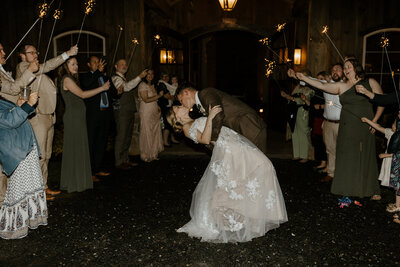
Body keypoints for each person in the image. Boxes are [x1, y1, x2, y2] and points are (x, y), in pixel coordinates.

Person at [167, 105, 287, 243]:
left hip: (236, 143)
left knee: (253, 174)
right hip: (230, 149)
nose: (181, 106)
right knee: (256, 170)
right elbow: (205, 139)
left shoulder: (194, 120)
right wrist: (210, 117)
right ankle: (238, 216)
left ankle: (257, 215)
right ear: (176, 117)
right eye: (177, 107)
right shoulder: (186, 129)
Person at [292, 57, 384, 199]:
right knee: (347, 156)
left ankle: (371, 189)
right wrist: (304, 78)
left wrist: (375, 122)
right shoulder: (342, 85)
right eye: (345, 67)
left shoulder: (370, 82)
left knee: (365, 155)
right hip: (346, 125)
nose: (346, 70)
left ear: (356, 67)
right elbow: (322, 85)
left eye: (349, 67)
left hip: (365, 125)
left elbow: (381, 101)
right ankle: (348, 188)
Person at [16, 44, 78, 200]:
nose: (36, 55)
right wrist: (66, 54)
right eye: (31, 53)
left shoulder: (36, 68)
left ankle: (43, 187)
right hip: (38, 118)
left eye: (36, 52)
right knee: (39, 155)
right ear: (22, 55)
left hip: (48, 116)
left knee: (47, 154)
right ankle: (35, 191)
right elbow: (47, 66)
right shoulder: (23, 66)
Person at [58, 57, 110, 193]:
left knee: (80, 147)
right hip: (73, 118)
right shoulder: (67, 79)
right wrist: (102, 88)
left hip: (79, 117)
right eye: (72, 64)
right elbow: (82, 94)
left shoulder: (73, 79)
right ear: (65, 65)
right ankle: (73, 182)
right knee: (75, 148)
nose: (76, 66)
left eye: (76, 63)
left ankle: (79, 180)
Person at [0, 92, 48, 239]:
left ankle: (28, 220)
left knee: (29, 185)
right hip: (16, 149)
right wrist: (28, 105)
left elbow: (15, 115)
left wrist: (21, 106)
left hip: (24, 145)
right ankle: (12, 227)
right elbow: (9, 121)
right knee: (18, 189)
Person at [176, 84, 267, 154]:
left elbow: (218, 114)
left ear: (186, 92)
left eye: (181, 100)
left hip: (250, 126)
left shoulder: (206, 93)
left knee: (258, 163)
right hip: (242, 130)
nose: (182, 104)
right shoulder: (200, 104)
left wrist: (213, 139)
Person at [0, 42, 38, 207]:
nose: (4, 52)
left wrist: (22, 105)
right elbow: (14, 89)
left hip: (11, 133)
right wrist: (27, 104)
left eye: (3, 48)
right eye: (0, 49)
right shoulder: (21, 67)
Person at [80, 56, 117, 180]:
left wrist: (117, 90)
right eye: (94, 62)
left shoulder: (105, 77)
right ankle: (90, 172)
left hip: (105, 114)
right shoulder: (86, 76)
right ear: (89, 64)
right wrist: (98, 72)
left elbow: (114, 93)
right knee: (91, 142)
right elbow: (86, 85)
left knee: (102, 143)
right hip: (93, 115)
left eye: (99, 62)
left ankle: (98, 168)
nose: (97, 64)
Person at [111, 59, 147, 170]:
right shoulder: (115, 78)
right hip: (122, 111)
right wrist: (140, 76)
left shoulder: (123, 78)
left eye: (125, 64)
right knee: (122, 136)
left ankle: (125, 160)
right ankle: (118, 162)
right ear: (116, 66)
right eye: (121, 64)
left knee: (127, 137)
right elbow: (126, 87)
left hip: (129, 110)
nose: (124, 66)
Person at [280, 70, 315, 163]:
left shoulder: (310, 88)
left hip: (303, 113)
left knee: (303, 133)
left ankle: (305, 156)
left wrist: (289, 97)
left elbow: (303, 100)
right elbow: (292, 97)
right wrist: (287, 96)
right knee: (294, 131)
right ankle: (296, 154)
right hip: (294, 112)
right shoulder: (297, 87)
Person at [361, 116, 395, 188]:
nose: (393, 124)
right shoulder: (390, 133)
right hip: (389, 161)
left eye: (395, 123)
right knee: (394, 184)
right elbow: (378, 127)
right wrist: (367, 120)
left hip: (395, 162)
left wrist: (386, 155)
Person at [138, 69, 164, 162]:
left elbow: (153, 99)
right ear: (144, 75)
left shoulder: (152, 85)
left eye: (152, 73)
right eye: (148, 74)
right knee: (147, 131)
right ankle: (145, 155)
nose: (150, 75)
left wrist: (157, 106)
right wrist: (159, 96)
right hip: (146, 111)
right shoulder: (142, 85)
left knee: (154, 131)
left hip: (153, 111)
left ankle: (153, 153)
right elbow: (145, 99)